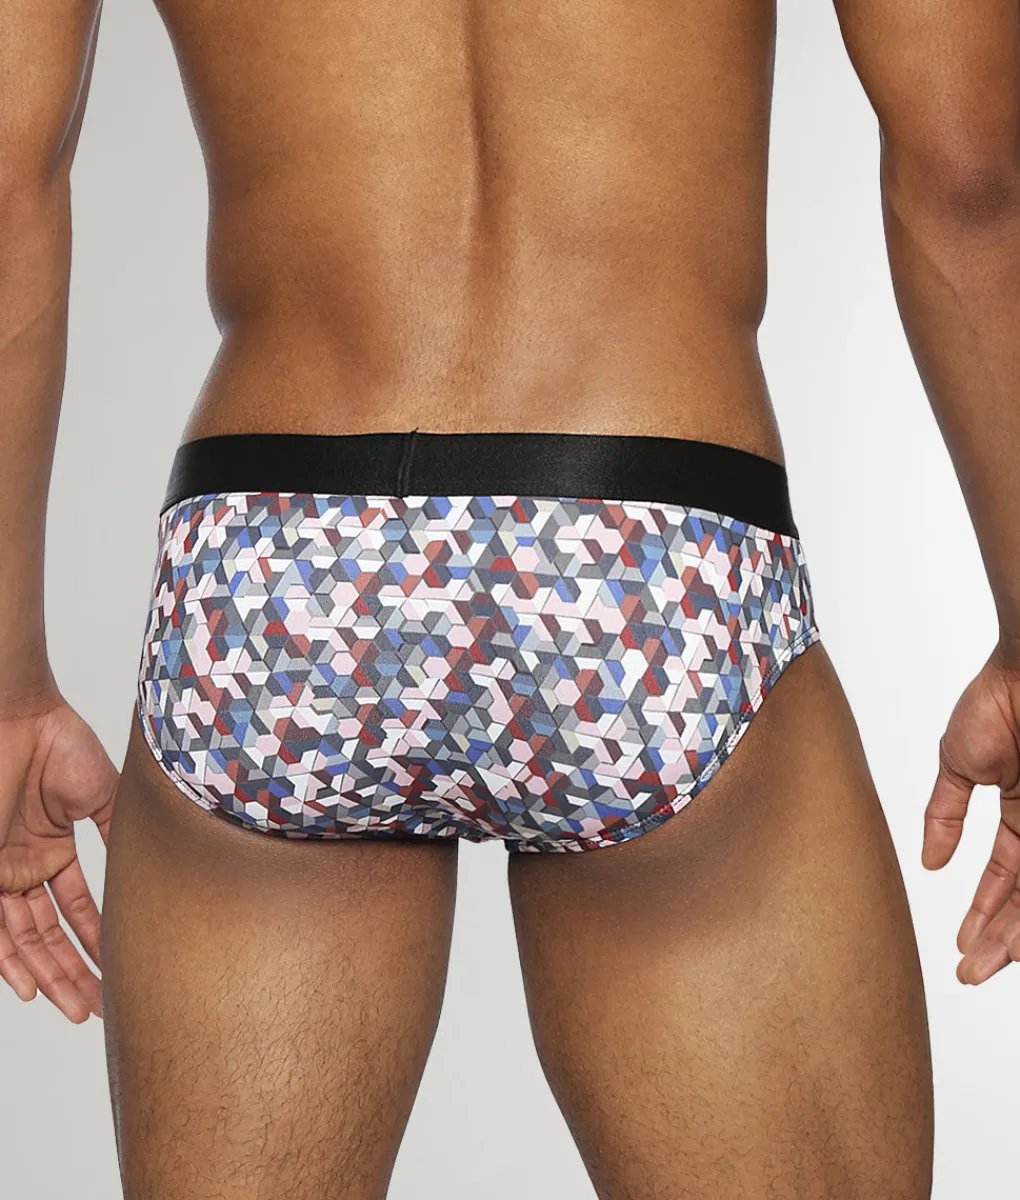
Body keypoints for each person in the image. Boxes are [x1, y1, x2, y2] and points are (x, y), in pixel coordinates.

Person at [2, 0, 1019, 1194]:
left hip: (276, 579)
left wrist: (9, 682)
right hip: (645, 548)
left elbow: (9, 176)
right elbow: (968, 170)